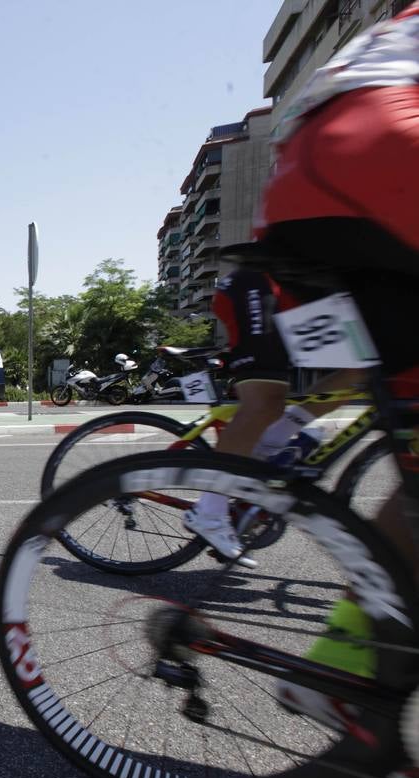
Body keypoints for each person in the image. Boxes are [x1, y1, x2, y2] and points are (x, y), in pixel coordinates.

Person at [233, 2, 419, 732]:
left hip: (320, 183)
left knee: (374, 410)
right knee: (268, 395)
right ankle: (228, 496)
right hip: (369, 157)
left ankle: (344, 666)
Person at [181, 271, 364, 565]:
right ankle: (210, 511)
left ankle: (271, 442)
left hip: (309, 301)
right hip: (261, 285)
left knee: (359, 368)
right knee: (264, 402)